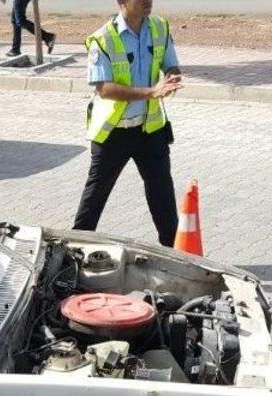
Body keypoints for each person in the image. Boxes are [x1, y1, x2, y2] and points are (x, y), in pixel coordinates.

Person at [72, 0, 182, 246]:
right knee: (94, 198)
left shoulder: (159, 27)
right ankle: (74, 251)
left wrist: (172, 76)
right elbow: (104, 88)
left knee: (163, 196)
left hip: (149, 130)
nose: (148, 2)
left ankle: (174, 252)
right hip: (114, 133)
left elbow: (171, 64)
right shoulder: (102, 39)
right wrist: (151, 92)